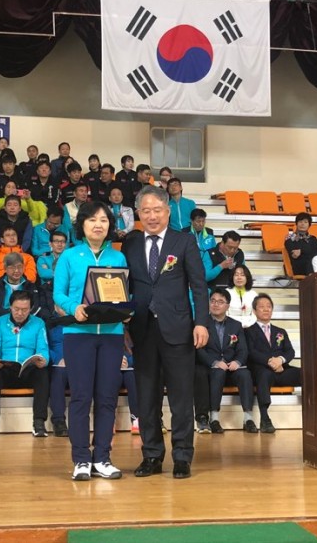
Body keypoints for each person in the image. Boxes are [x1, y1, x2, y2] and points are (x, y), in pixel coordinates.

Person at [122, 185, 209, 480]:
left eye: (157, 210)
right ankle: (151, 455)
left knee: (181, 398)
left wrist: (201, 323)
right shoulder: (131, 244)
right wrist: (124, 325)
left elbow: (199, 285)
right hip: (142, 331)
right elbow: (125, 288)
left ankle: (182, 456)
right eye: (145, 211)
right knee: (147, 398)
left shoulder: (183, 241)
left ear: (167, 211)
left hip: (179, 330)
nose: (152, 216)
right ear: (138, 213)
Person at [52, 200, 130, 480]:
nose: (98, 225)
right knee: (81, 397)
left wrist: (126, 311)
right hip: (78, 335)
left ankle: (103, 458)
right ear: (82, 225)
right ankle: (82, 459)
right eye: (92, 220)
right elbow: (58, 294)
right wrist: (74, 308)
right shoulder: (69, 256)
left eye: (104, 220)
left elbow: (124, 293)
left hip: (111, 335)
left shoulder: (118, 258)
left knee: (107, 398)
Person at [0, 291, 50, 439]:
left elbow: (43, 349)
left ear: (31, 308)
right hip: (6, 368)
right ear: (10, 307)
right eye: (16, 309)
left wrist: (43, 360)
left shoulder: (39, 323)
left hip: (29, 369)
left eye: (25, 310)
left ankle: (39, 422)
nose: (20, 313)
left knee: (43, 374)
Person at [194, 289, 255, 434]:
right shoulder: (201, 324)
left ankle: (248, 418)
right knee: (218, 373)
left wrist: (237, 362)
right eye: (213, 301)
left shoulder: (236, 325)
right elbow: (198, 349)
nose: (215, 304)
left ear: (227, 306)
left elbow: (243, 349)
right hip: (210, 367)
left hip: (231, 366)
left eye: (220, 302)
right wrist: (214, 362)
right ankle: (214, 418)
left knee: (245, 374)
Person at [244, 293, 301, 434]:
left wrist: (280, 360)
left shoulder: (280, 331)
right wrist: (270, 361)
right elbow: (251, 352)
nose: (266, 309)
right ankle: (265, 419)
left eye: (269, 306)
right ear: (254, 311)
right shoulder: (248, 331)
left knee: (305, 374)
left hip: (281, 370)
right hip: (261, 370)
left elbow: (290, 351)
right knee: (264, 375)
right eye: (261, 307)